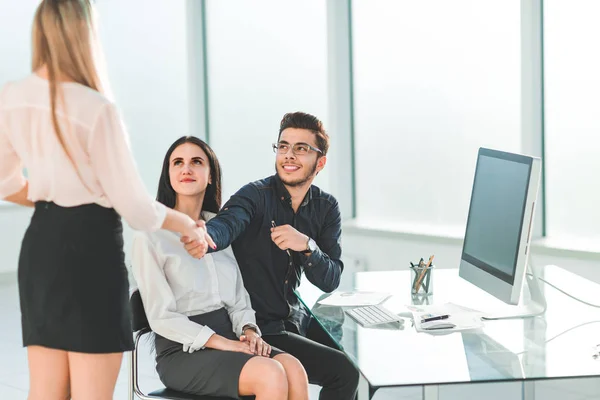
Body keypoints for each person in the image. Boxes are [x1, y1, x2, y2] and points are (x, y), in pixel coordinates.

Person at [0, 1, 212, 399]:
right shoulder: (97, 108)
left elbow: (5, 183)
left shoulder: (11, 96)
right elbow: (133, 208)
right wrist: (186, 223)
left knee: (44, 390)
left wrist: (53, 203)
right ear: (85, 34)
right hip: (90, 251)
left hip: (41, 245)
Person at [184, 112, 360, 399]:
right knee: (344, 372)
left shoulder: (326, 207)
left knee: (351, 363)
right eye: (283, 146)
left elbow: (331, 279)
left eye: (301, 148)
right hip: (257, 326)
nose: (289, 155)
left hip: (294, 316)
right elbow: (227, 224)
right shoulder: (255, 195)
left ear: (321, 162)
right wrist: (206, 236)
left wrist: (306, 246)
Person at [132, 136, 309, 400]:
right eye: (177, 162)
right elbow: (161, 317)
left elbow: (238, 298)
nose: (186, 169)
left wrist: (248, 331)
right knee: (270, 374)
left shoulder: (220, 228)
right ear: (168, 175)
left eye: (196, 162)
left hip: (230, 334)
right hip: (183, 350)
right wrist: (224, 344)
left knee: (294, 370)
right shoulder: (151, 236)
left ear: (211, 175)